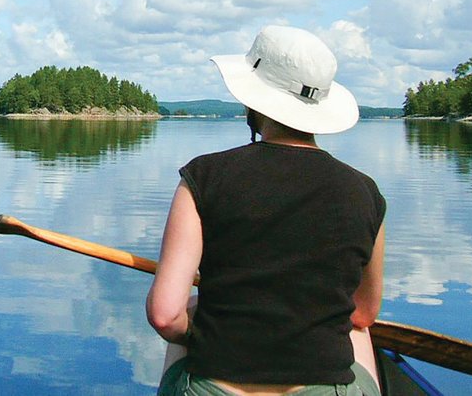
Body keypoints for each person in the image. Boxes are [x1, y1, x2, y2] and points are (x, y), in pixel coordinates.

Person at [147, 25, 386, 396]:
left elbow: (165, 317)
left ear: (253, 103)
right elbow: (363, 313)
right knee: (359, 331)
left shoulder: (203, 176)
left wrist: (198, 325)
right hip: (324, 388)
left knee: (187, 304)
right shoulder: (365, 191)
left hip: (215, 387)